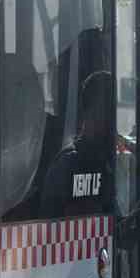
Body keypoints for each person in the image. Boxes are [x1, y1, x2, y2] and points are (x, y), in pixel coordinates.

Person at [41, 70, 114, 216]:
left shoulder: (107, 160)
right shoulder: (69, 163)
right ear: (94, 111)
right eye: (111, 111)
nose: (114, 122)